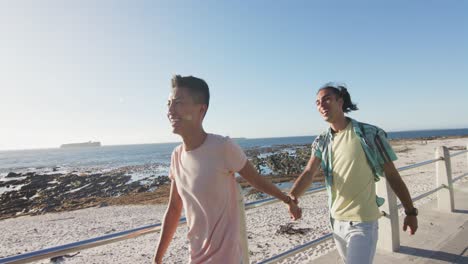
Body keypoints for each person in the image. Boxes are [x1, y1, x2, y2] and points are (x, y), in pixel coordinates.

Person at [153, 75, 301, 264]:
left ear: (201, 109)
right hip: (195, 257)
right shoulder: (176, 156)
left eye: (179, 103)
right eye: (168, 103)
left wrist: (287, 200)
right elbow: (174, 208)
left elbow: (255, 179)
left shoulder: (222, 147)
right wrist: (157, 258)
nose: (171, 110)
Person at [289, 82, 418, 264]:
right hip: (336, 221)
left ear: (340, 101)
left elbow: (393, 175)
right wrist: (292, 197)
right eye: (317, 102)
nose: (321, 105)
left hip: (362, 222)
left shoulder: (370, 134)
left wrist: (410, 212)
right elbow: (309, 172)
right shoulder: (321, 142)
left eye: (327, 99)